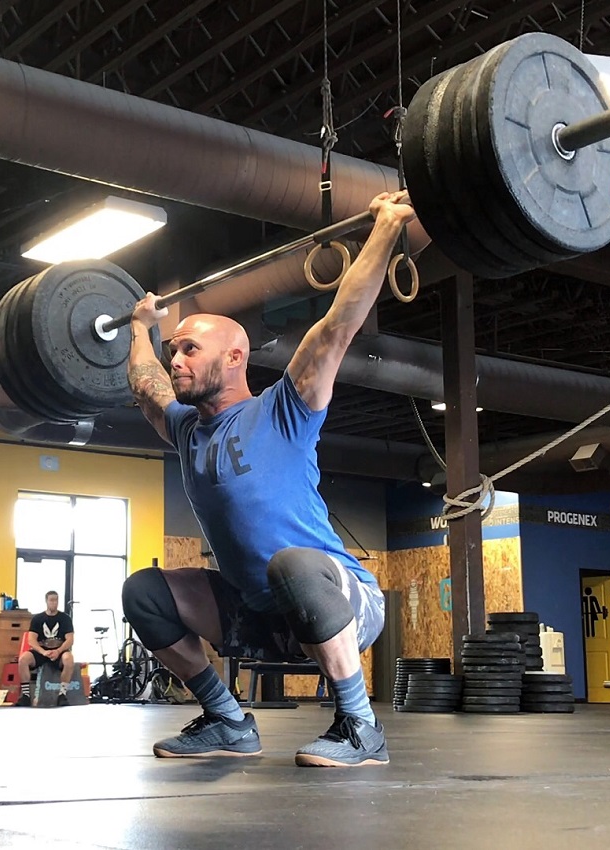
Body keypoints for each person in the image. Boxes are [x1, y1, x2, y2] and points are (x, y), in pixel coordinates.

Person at [123, 191, 416, 766]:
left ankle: (360, 725)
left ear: (234, 358)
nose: (175, 358)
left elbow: (338, 325)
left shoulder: (285, 408)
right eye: (172, 348)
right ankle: (227, 721)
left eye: (188, 348)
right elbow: (144, 384)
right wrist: (139, 326)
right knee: (145, 592)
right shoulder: (186, 428)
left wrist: (386, 227)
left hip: (342, 601)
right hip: (258, 613)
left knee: (292, 563)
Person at [16, 590, 75, 707]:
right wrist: (43, 652)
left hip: (59, 651)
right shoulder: (38, 619)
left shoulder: (65, 618)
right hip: (42, 652)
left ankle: (62, 695)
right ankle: (26, 695)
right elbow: (31, 639)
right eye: (51, 600)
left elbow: (70, 639)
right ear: (46, 601)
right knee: (23, 659)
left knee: (69, 659)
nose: (54, 603)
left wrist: (58, 651)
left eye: (56, 600)